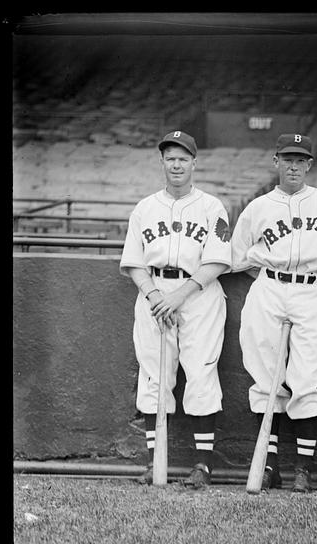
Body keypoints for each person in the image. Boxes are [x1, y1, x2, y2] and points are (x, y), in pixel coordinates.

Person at [230, 133, 317, 494]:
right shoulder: (258, 207)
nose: (294, 166)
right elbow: (237, 256)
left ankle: (303, 468)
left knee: (307, 379)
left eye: (301, 160)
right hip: (269, 288)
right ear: (276, 162)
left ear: (310, 164)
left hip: (315, 290)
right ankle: (270, 466)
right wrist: (270, 277)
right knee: (265, 378)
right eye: (288, 159)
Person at [120, 130, 232, 489]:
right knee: (154, 375)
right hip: (154, 292)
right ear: (163, 162)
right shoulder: (145, 207)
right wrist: (155, 296)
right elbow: (134, 261)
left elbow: (217, 261)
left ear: (194, 162)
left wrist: (178, 295)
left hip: (198, 292)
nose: (177, 164)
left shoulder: (212, 206)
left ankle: (202, 465)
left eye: (183, 158)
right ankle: (157, 463)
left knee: (200, 372)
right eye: (171, 157)